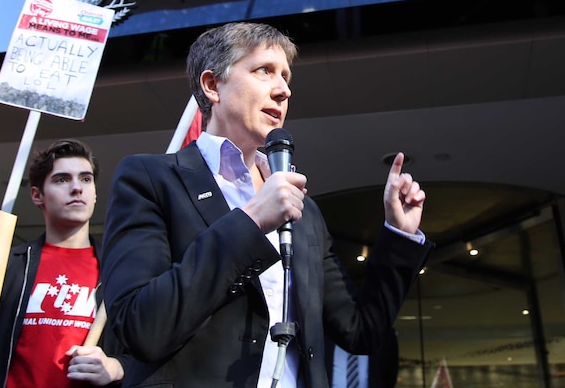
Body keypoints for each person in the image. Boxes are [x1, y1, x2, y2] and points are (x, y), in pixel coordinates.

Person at [101, 21, 434, 387]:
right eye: (264, 71)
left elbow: (360, 332)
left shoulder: (301, 209)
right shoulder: (150, 179)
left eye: (286, 77)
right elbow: (139, 327)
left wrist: (398, 237)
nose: (283, 90)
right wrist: (251, 221)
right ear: (212, 85)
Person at [0, 139, 131, 387]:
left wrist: (118, 367)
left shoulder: (120, 273)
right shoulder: (7, 267)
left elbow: (153, 352)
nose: (76, 188)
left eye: (85, 179)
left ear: (95, 195)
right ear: (38, 195)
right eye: (62, 179)